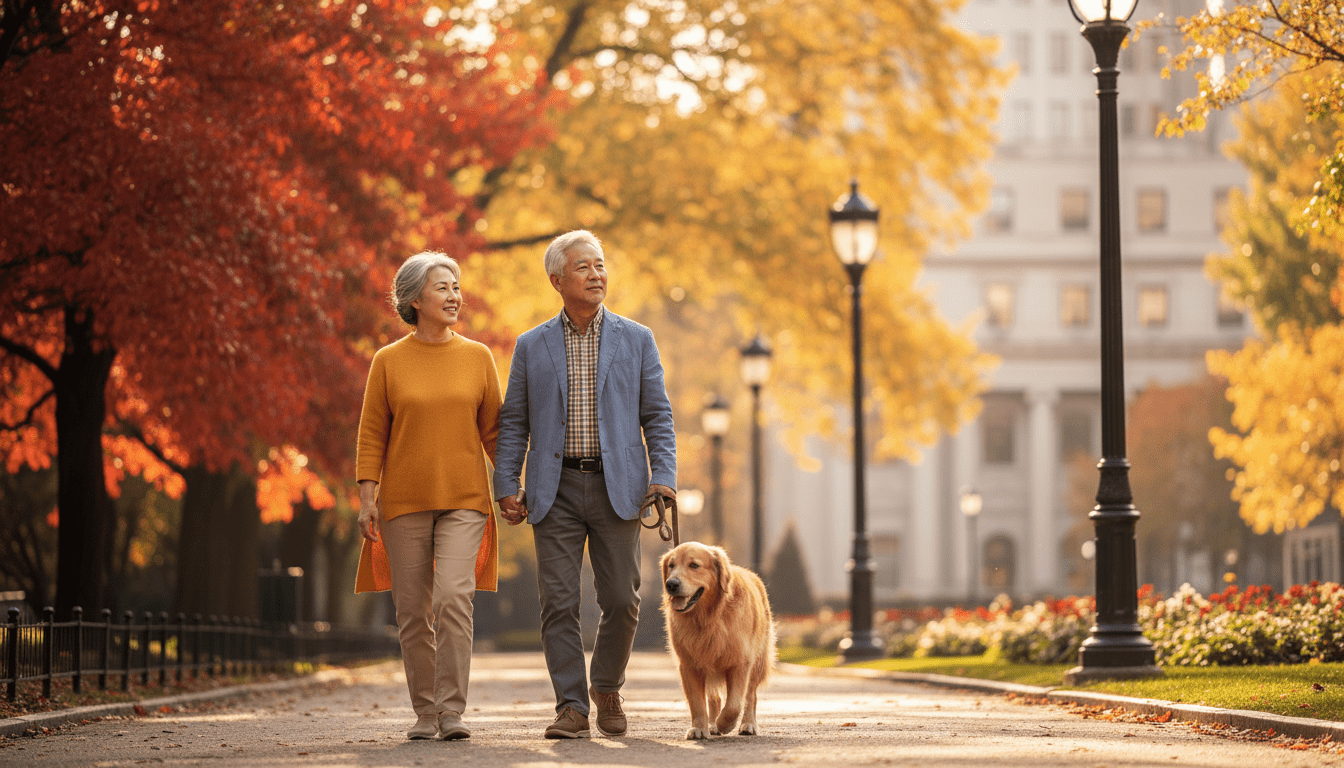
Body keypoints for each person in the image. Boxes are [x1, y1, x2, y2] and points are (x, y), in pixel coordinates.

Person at [493, 230, 677, 739]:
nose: (597, 275)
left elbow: (657, 416)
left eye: (600, 266)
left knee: (622, 598)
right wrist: (506, 483)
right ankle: (571, 707)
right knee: (558, 601)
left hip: (619, 486)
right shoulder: (531, 346)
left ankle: (606, 687)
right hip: (554, 489)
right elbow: (514, 422)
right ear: (557, 280)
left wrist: (663, 477)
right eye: (584, 267)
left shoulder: (636, 338)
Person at [354, 251, 502, 741]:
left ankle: (453, 711)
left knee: (455, 597)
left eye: (456, 286)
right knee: (412, 611)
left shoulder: (478, 357)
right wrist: (367, 496)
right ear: (415, 298)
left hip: (465, 498)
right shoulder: (388, 361)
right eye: (443, 287)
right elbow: (372, 432)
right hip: (403, 502)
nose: (455, 295)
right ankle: (425, 713)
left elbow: (496, 434)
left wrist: (513, 488)